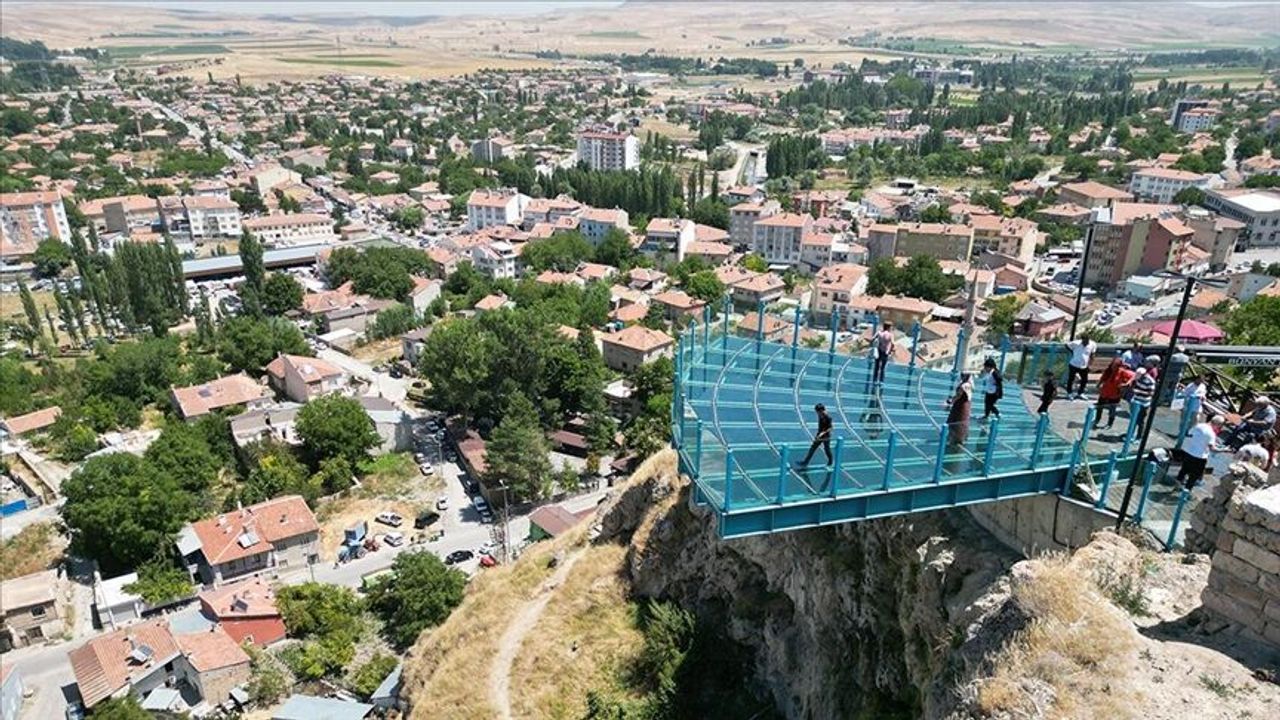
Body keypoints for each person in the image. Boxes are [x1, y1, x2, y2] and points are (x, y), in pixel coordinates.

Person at [1175, 414, 1225, 489]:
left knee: (1183, 471)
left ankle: (1176, 486)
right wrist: (1224, 450)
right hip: (1200, 457)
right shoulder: (1211, 434)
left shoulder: (1199, 425)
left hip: (1189, 452)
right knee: (1193, 477)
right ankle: (1186, 492)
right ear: (1218, 424)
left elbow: (1190, 433)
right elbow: (1213, 449)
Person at [1093, 357, 1134, 430]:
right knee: (1099, 407)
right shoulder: (1108, 370)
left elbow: (1133, 376)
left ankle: (1110, 423)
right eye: (1113, 365)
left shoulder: (1122, 372)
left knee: (1112, 409)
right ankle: (1097, 420)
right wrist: (1099, 384)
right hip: (1105, 392)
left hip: (1114, 394)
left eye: (1116, 365)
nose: (1114, 367)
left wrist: (1127, 383)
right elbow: (1103, 378)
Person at [946, 373, 973, 448]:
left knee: (957, 420)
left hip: (960, 406)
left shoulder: (964, 385)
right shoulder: (969, 384)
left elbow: (958, 395)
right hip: (965, 405)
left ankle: (956, 439)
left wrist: (950, 401)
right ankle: (961, 438)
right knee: (962, 421)